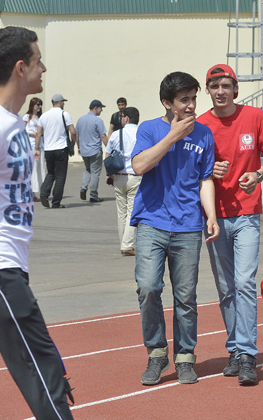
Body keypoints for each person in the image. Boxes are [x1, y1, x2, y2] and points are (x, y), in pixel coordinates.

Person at [0, 26, 75, 420]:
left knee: (40, 363)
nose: (43, 67)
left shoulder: (14, 124)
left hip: (15, 267)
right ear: (19, 68)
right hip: (2, 271)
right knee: (42, 367)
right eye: (37, 60)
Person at [197, 64, 263, 386]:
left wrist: (259, 174)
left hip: (247, 214)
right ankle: (234, 348)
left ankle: (247, 354)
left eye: (226, 85)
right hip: (214, 217)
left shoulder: (254, 118)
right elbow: (190, 172)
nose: (220, 91)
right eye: (214, 85)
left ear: (236, 88)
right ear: (208, 90)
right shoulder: (201, 125)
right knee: (226, 288)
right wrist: (208, 172)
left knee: (245, 282)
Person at [130, 71, 219, 386]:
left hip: (188, 226)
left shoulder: (205, 134)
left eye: (194, 98)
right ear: (167, 103)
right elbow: (139, 166)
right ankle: (156, 353)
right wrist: (172, 136)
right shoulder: (150, 129)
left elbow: (205, 178)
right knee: (149, 287)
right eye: (185, 100)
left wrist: (210, 214)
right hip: (152, 222)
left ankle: (185, 358)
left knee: (185, 296)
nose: (192, 105)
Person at [105, 106, 141, 256]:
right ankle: (127, 245)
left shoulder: (116, 134)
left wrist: (109, 174)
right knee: (132, 211)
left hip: (118, 176)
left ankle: (123, 243)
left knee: (121, 213)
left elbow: (107, 156)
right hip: (135, 176)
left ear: (126, 118)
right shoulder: (141, 133)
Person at [36, 93, 75, 209]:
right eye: (63, 102)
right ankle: (56, 202)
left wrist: (36, 148)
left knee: (51, 173)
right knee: (60, 177)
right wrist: (72, 144)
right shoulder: (64, 114)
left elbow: (38, 133)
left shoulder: (43, 116)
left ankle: (44, 192)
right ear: (59, 102)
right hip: (61, 149)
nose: (63, 103)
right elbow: (73, 131)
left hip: (48, 149)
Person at [76, 99, 108, 203]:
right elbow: (103, 136)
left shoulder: (80, 119)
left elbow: (77, 135)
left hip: (84, 150)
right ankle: (93, 195)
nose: (101, 110)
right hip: (95, 150)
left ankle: (83, 187)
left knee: (88, 169)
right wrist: (109, 148)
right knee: (95, 173)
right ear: (95, 108)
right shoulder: (98, 121)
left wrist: (79, 147)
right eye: (101, 108)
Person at [23, 97, 43, 202]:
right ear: (32, 105)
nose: (39, 106)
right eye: (37, 104)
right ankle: (32, 193)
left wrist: (40, 134)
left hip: (40, 145)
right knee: (32, 169)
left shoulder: (41, 117)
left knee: (40, 168)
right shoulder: (27, 117)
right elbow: (22, 130)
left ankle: (41, 191)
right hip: (30, 145)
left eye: (40, 104)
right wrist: (33, 134)